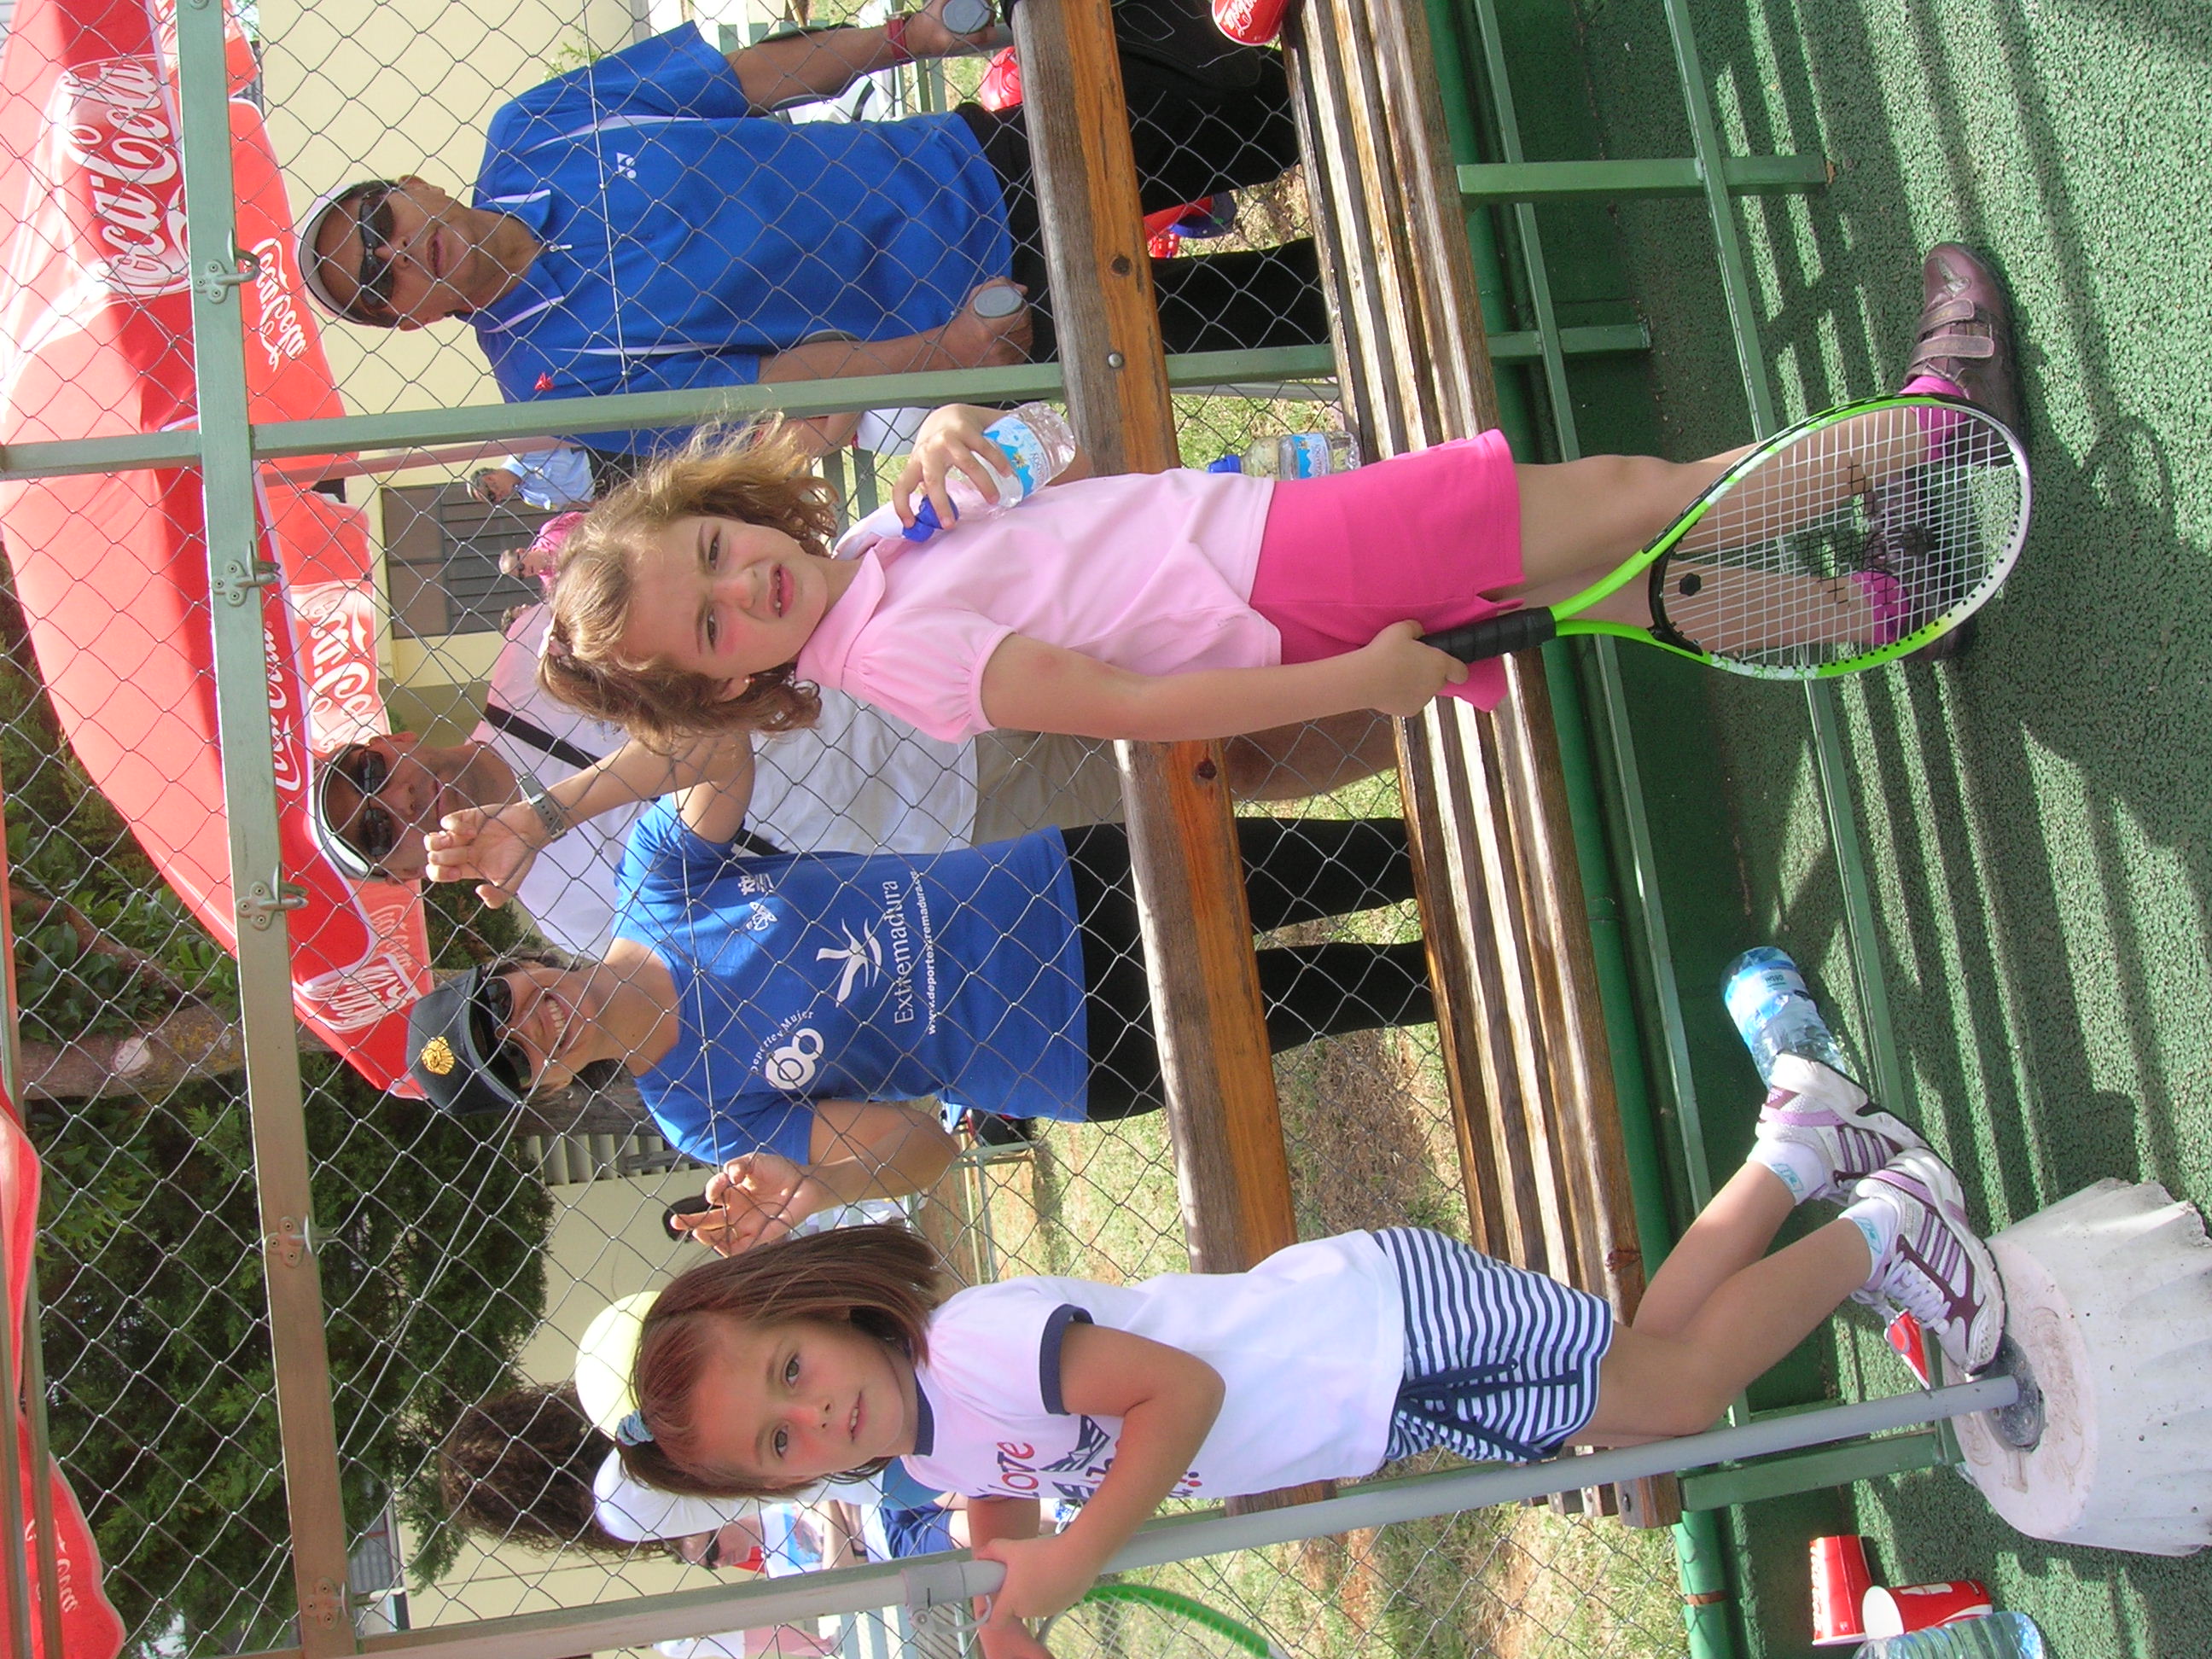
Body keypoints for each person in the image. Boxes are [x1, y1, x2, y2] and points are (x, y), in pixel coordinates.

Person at [590, 1053, 2004, 1659]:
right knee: (1641, 1385)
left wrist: (1071, 1560)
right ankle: (1798, 1143)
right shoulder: (934, 1435)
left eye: (789, 1373)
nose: (814, 1415)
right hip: (1374, 1382)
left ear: (815, 1307)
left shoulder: (970, 1343)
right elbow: (998, 1496)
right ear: (783, 1484)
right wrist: (1011, 1612)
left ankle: (1881, 1228)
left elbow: (1178, 1394)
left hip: (1382, 1332)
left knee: (1672, 1400)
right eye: (779, 1442)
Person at [403, 771, 1435, 1250]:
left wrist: (543, 814)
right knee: (1397, 989)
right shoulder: (699, 1116)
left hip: (1071, 886)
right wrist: (816, 1184)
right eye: (512, 1058)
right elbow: (927, 1151)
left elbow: (713, 737)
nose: (529, 1025)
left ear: (514, 964)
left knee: (1395, 855)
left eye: (500, 1005)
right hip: (1078, 1046)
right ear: (544, 1088)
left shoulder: (657, 881)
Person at [295, 0, 1325, 457]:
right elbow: (771, 386)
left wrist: (909, 36)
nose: (397, 251)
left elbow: (740, 81)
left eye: (379, 222)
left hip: (967, 161)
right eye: (378, 281)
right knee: (1287, 310)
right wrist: (947, 353)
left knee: (1272, 115)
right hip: (992, 320)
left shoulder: (532, 132)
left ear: (414, 184)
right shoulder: (550, 381)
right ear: (410, 322)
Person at [308, 605, 1132, 956]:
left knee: (1149, 663)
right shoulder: (560, 910)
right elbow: (733, 939)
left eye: (369, 774)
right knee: (1168, 777)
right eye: (376, 832)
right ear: (407, 877)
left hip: (909, 674)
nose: (396, 802)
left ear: (391, 740)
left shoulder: (535, 656)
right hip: (936, 824)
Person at [475, 445, 597, 511]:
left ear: (489, 479)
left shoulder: (525, 451)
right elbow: (573, 504)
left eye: (491, 496)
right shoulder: (530, 499)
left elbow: (564, 439)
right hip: (602, 491)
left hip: (597, 458)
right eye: (493, 501)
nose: (498, 499)